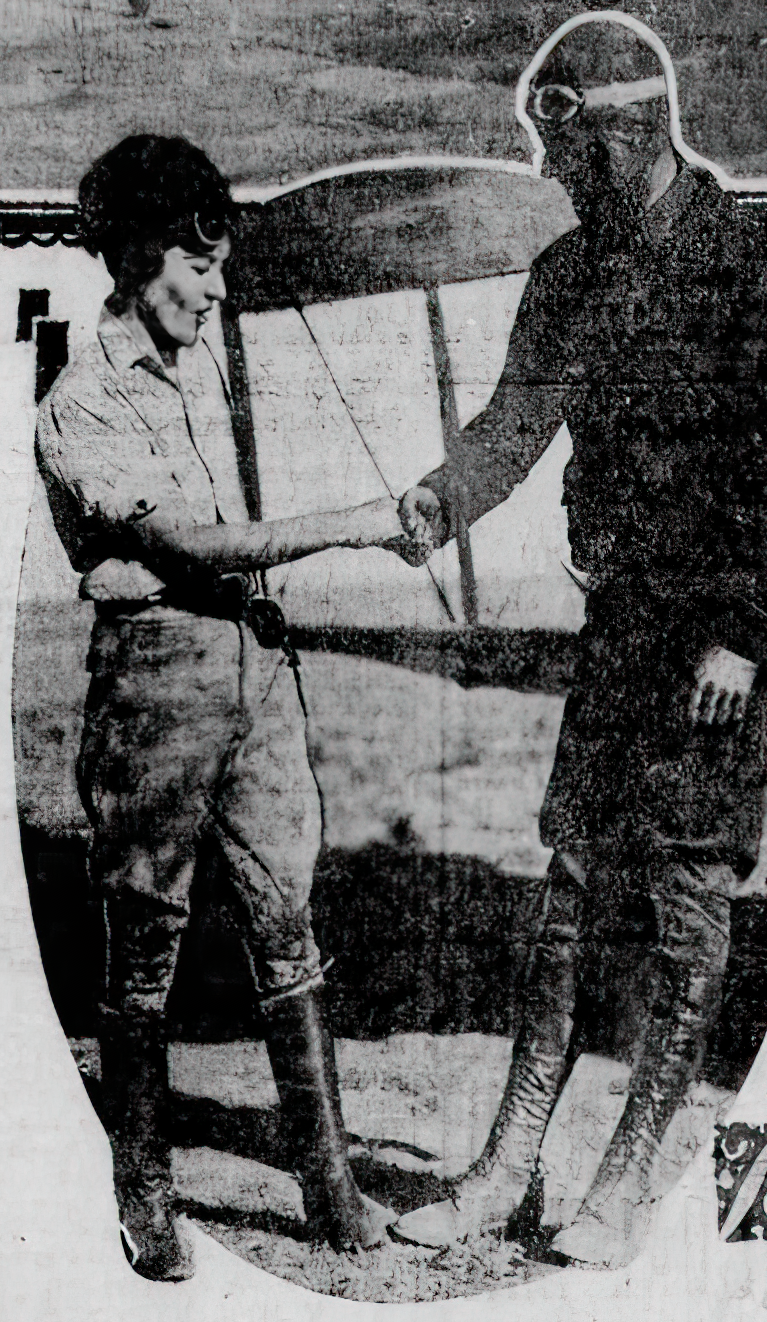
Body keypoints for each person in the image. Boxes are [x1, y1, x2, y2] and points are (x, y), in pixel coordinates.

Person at [393, 15, 767, 1266]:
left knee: (689, 899)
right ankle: (507, 1168)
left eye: (568, 158)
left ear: (628, 134)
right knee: (572, 886)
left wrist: (741, 634)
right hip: (623, 626)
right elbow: (511, 424)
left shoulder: (744, 261)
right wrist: (437, 498)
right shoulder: (569, 275)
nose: (557, 183)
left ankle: (629, 1182)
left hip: (718, 639)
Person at [35, 134, 435, 1281]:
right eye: (198, 267)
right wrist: (356, 521)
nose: (215, 290)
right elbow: (192, 545)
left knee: (287, 921)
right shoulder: (79, 402)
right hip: (158, 679)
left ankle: (330, 1184)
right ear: (134, 257)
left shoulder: (191, 362)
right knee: (145, 941)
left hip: (256, 663)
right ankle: (146, 1188)